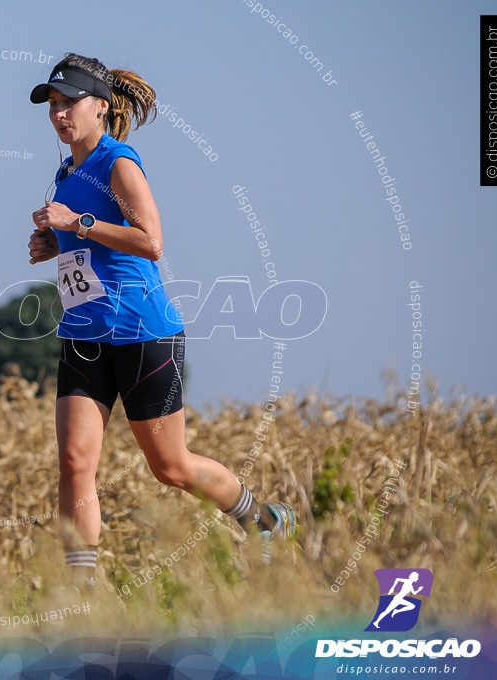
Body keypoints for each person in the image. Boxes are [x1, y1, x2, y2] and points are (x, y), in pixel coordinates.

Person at [26, 53, 296, 586]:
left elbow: (150, 241)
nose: (59, 114)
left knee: (170, 468)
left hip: (142, 332)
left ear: (100, 107)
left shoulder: (118, 162)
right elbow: (89, 246)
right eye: (52, 105)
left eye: (69, 102)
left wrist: (75, 222)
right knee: (75, 462)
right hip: (83, 333)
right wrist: (51, 242)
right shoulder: (66, 171)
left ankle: (263, 520)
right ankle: (81, 591)